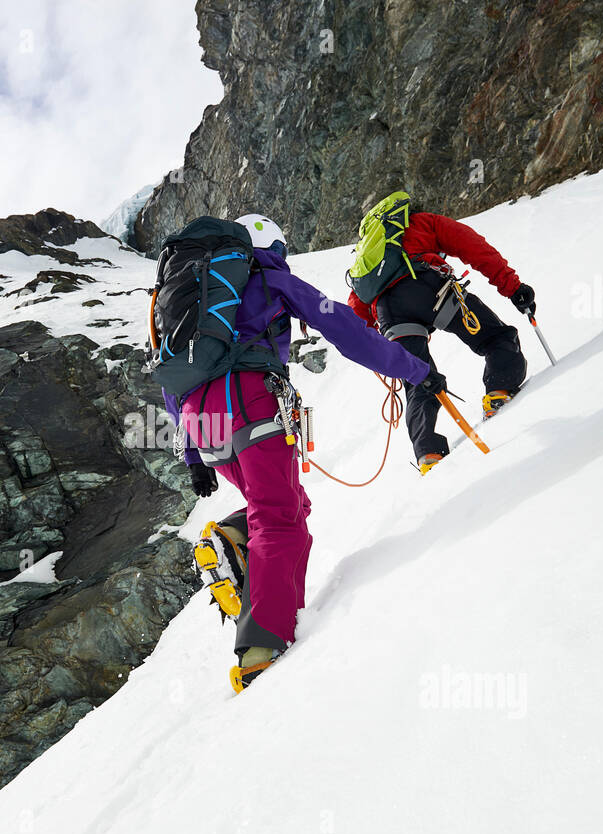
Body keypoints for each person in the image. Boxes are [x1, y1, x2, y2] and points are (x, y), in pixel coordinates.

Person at [162, 214, 432, 691]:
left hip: (203, 423)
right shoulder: (268, 275)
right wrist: (413, 369)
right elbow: (343, 326)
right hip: (251, 404)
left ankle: (227, 539)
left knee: (286, 504)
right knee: (280, 517)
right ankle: (261, 647)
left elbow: (173, 377)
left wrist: (190, 454)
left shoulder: (189, 294)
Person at [346, 201, 536, 473]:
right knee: (496, 337)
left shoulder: (369, 256)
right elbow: (472, 246)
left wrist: (381, 352)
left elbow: (357, 311)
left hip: (390, 313)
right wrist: (512, 287)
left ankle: (428, 453)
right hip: (431, 289)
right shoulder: (422, 222)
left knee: (418, 379)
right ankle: (499, 389)